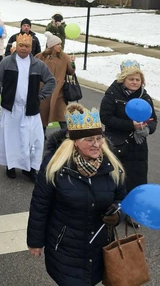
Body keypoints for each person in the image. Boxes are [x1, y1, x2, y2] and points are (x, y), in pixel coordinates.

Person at [27, 104, 126, 286]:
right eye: (89, 140)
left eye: (99, 138)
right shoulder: (55, 166)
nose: (97, 144)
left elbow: (122, 199)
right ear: (74, 142)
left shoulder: (112, 166)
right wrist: (35, 241)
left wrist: (118, 213)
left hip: (99, 247)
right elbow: (40, 205)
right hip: (66, 249)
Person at [0, 33, 56, 180]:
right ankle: (11, 165)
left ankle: (31, 168)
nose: (24, 49)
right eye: (21, 45)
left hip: (30, 109)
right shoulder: (7, 63)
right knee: (12, 138)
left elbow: (51, 81)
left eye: (27, 46)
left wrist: (40, 96)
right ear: (16, 46)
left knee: (32, 139)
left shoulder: (38, 65)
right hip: (11, 109)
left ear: (31, 48)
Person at [100, 60, 157, 199]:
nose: (135, 82)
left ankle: (133, 213)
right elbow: (106, 118)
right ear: (123, 79)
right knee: (116, 178)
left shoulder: (145, 97)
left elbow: (153, 119)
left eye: (138, 79)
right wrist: (130, 125)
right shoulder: (112, 94)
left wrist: (147, 129)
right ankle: (114, 210)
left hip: (138, 146)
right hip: (116, 144)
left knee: (136, 180)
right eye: (131, 79)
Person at [36, 32, 75, 131]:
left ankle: (65, 138)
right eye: (58, 44)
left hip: (59, 94)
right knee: (42, 117)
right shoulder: (40, 56)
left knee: (63, 117)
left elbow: (71, 72)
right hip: (44, 92)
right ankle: (40, 136)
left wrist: (72, 63)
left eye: (60, 44)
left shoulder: (64, 57)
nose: (60, 46)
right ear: (52, 46)